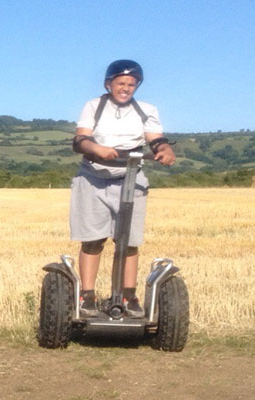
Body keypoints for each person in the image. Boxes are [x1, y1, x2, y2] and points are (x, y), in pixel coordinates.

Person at [69, 60, 175, 318]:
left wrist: (164, 150)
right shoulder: (94, 106)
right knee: (93, 239)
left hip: (131, 176)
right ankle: (88, 296)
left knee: (128, 242)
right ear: (109, 84)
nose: (126, 88)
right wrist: (97, 149)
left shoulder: (146, 109)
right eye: (120, 83)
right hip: (94, 176)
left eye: (131, 84)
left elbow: (156, 140)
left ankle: (128, 295)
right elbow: (81, 139)